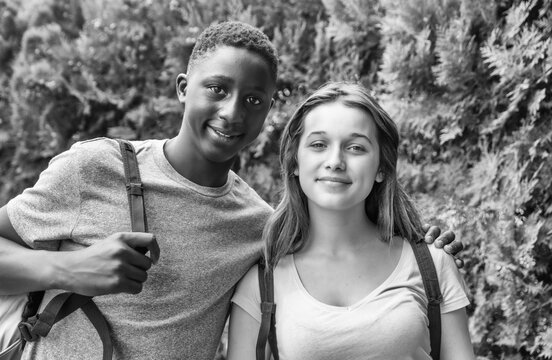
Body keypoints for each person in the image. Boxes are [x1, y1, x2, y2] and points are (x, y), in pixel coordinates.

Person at [0, 22, 461, 360]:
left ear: (267, 116)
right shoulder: (95, 168)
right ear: (184, 88)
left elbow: (343, 250)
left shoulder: (257, 227)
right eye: (217, 89)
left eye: (254, 100)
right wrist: (66, 268)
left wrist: (420, 258)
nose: (232, 112)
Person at [227, 82, 475, 360]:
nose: (335, 161)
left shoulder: (433, 264)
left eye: (356, 148)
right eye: (319, 144)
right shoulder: (262, 283)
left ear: (382, 167)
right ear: (294, 161)